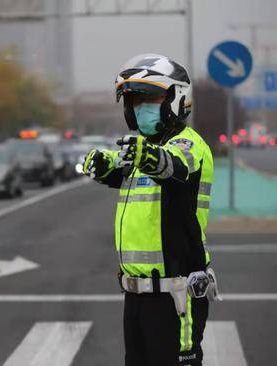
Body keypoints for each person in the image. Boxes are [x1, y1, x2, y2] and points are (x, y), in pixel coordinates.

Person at [82, 54, 220, 366]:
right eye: (132, 100)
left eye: (150, 98)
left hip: (176, 296)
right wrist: (102, 163)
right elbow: (119, 167)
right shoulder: (141, 149)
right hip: (135, 296)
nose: (139, 107)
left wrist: (148, 156)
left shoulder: (189, 145)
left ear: (176, 98)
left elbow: (172, 165)